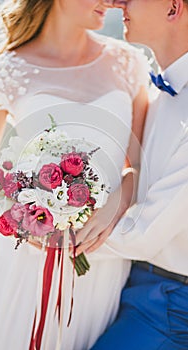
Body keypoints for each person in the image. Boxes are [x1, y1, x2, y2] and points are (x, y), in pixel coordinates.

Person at [0, 1, 149, 349]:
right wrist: (26, 222)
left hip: (101, 256)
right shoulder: (9, 69)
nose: (111, 1)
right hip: (25, 260)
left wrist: (114, 205)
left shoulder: (127, 63)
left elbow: (137, 165)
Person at [75, 0, 188, 349]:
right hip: (129, 283)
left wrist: (52, 230)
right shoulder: (153, 89)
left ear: (173, 8)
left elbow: (144, 233)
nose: (119, 2)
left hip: (171, 306)